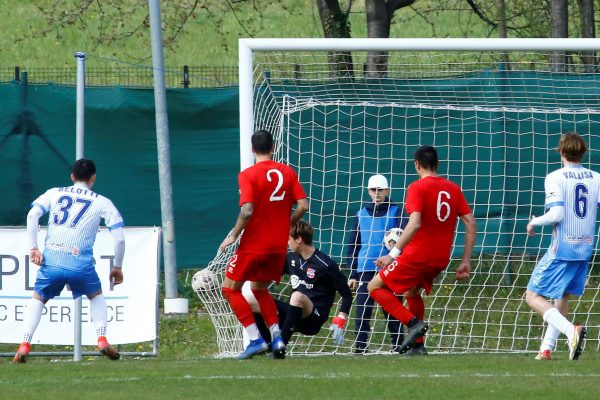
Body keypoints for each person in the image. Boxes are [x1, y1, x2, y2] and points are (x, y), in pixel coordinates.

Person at [13, 158, 125, 363]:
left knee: (38, 298)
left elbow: (32, 215)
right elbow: (119, 238)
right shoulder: (102, 202)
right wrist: (117, 267)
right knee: (96, 295)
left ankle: (24, 344)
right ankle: (101, 339)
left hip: (52, 261)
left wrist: (33, 248)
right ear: (94, 178)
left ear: (72, 176)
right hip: (80, 263)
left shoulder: (54, 193)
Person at [370, 145, 477, 355]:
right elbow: (471, 223)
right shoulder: (453, 188)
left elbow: (415, 223)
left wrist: (392, 255)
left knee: (374, 287)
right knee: (412, 291)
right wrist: (466, 260)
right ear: (437, 164)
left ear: (417, 165)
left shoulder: (417, 187)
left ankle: (413, 324)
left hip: (418, 255)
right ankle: (418, 345)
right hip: (440, 259)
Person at [219, 129, 309, 360]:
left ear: (252, 150)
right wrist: (288, 222)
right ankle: (277, 337)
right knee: (259, 288)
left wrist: (233, 235)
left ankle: (255, 339)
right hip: (278, 246)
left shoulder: (248, 174)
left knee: (230, 289)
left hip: (254, 244)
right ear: (273, 148)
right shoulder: (287, 172)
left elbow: (247, 210)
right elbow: (303, 205)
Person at [525, 132, 596, 361]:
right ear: (583, 152)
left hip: (562, 249)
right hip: (585, 248)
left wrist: (534, 221)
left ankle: (570, 331)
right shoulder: (596, 177)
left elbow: (557, 213)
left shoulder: (555, 176)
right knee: (562, 296)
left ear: (562, 152)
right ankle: (546, 348)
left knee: (532, 296)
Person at [247, 220, 353, 352]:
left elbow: (347, 294)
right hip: (294, 312)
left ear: (298, 239)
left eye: (289, 239)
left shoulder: (325, 264)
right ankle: (268, 344)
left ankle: (280, 347)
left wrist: (341, 318)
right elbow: (270, 277)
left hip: (313, 318)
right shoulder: (291, 258)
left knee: (297, 296)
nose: (287, 242)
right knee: (249, 301)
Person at [346, 174, 406, 353]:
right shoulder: (360, 214)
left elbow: (405, 238)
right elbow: (353, 246)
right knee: (363, 310)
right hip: (365, 269)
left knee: (393, 309)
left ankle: (399, 345)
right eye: (374, 190)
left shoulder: (397, 212)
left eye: (381, 190)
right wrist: (352, 273)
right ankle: (360, 347)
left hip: (390, 269)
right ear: (368, 191)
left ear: (387, 191)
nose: (377, 193)